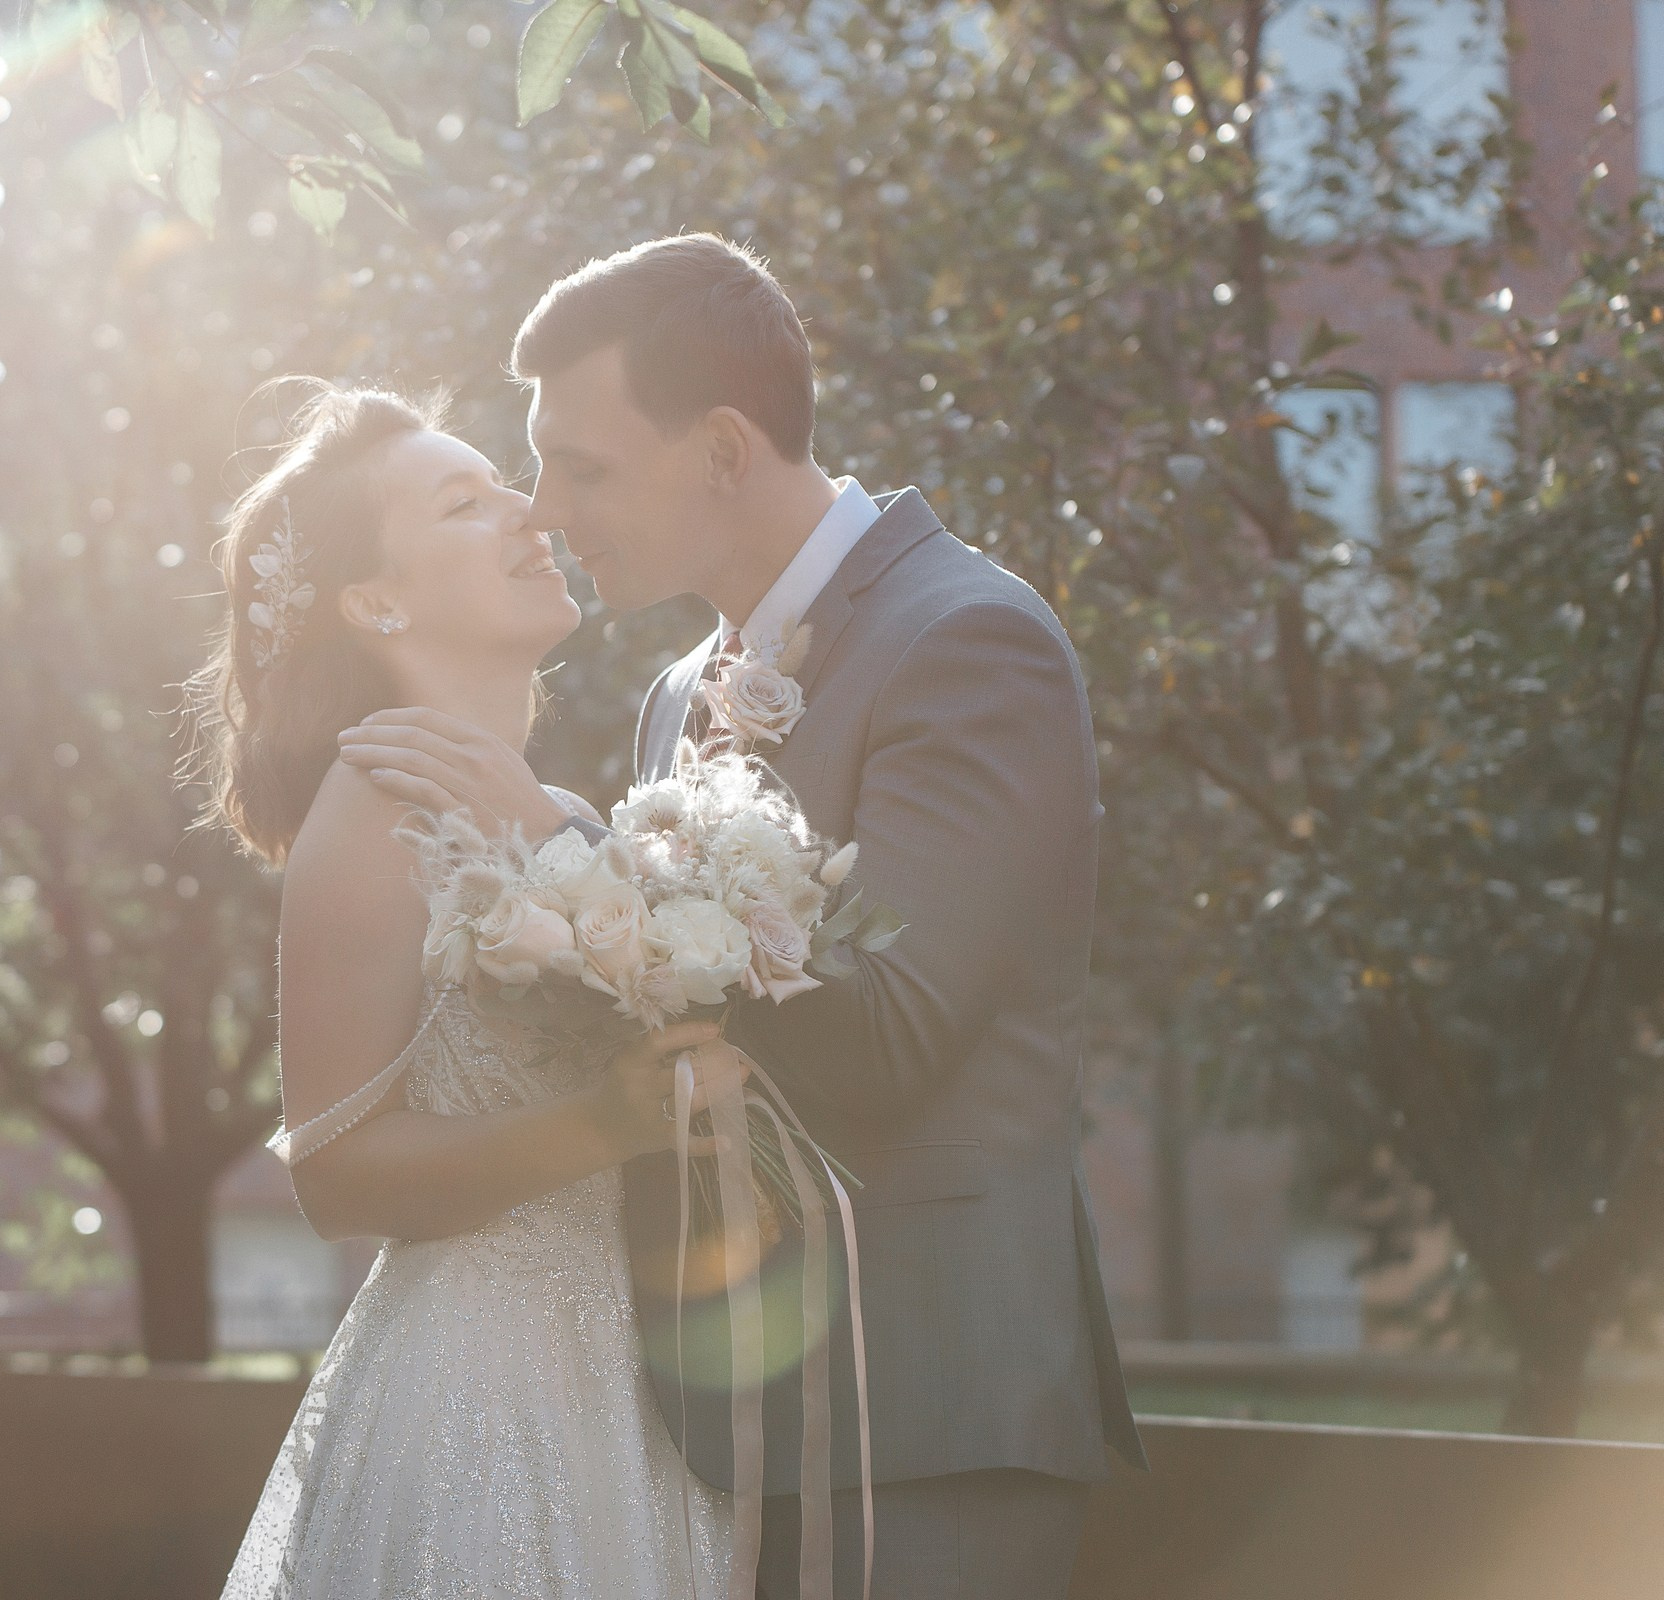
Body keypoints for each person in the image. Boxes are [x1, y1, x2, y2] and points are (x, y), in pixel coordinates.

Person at [337, 234, 1146, 1600]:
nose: (546, 511)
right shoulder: (674, 690)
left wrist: (562, 842)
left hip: (930, 1415)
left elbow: (893, 1034)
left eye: (581, 468)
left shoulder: (968, 638)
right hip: (708, 1427)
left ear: (721, 449)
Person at [198, 381, 748, 1598]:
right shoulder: (378, 794)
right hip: (484, 1400)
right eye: (466, 501)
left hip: (641, 1392)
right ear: (375, 599)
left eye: (510, 484)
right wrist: (601, 1124)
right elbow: (334, 1169)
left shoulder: (560, 814)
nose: (528, 512)